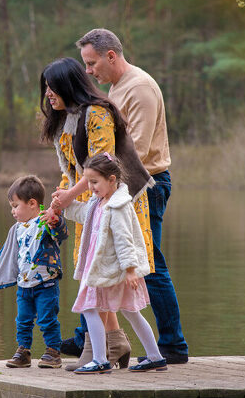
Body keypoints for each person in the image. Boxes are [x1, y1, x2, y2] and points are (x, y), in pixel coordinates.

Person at [74, 28, 189, 364]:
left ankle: (172, 346)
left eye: (92, 62)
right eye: (85, 64)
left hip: (146, 184)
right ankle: (91, 338)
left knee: (148, 264)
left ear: (112, 55)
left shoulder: (139, 88)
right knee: (115, 260)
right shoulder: (116, 87)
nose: (88, 71)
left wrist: (95, 187)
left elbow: (133, 153)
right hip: (120, 185)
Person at [38, 57, 155, 371]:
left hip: (112, 200)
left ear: (69, 85)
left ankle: (100, 351)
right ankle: (110, 344)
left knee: (107, 273)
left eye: (54, 87)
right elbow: (71, 171)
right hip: (89, 204)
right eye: (45, 88)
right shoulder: (65, 120)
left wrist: (69, 198)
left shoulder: (97, 113)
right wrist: (57, 206)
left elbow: (100, 162)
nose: (49, 94)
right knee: (96, 275)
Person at [63, 153, 167, 374]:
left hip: (112, 270)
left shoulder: (118, 205)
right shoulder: (99, 202)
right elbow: (83, 214)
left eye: (94, 182)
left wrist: (130, 270)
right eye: (88, 181)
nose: (90, 187)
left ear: (112, 179)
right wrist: (64, 205)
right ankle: (155, 356)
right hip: (105, 268)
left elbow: (124, 239)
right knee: (131, 312)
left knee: (90, 308)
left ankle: (100, 359)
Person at [0, 175, 69, 368]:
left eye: (15, 206)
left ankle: (53, 352)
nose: (12, 211)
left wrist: (55, 220)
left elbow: (61, 233)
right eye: (11, 207)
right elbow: (11, 254)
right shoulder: (17, 229)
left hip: (45, 283)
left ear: (32, 203)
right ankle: (23, 352)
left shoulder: (45, 221)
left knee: (47, 319)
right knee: (22, 320)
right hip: (24, 284)